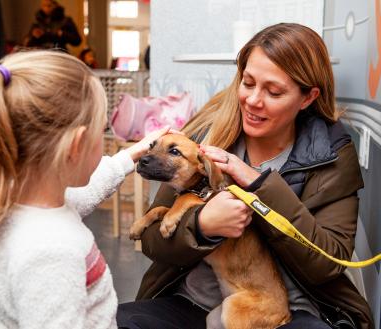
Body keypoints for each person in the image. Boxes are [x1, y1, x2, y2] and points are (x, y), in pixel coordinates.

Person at [117, 23, 374, 329]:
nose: (253, 100)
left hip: (284, 310)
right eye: (248, 83)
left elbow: (328, 264)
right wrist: (201, 227)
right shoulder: (205, 135)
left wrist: (258, 183)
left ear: (307, 97)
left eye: (273, 91)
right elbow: (151, 241)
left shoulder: (330, 153)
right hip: (193, 303)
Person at [0, 50, 177, 328]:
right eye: (101, 129)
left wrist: (133, 154)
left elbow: (86, 191)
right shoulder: (51, 252)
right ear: (77, 144)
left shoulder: (12, 202)